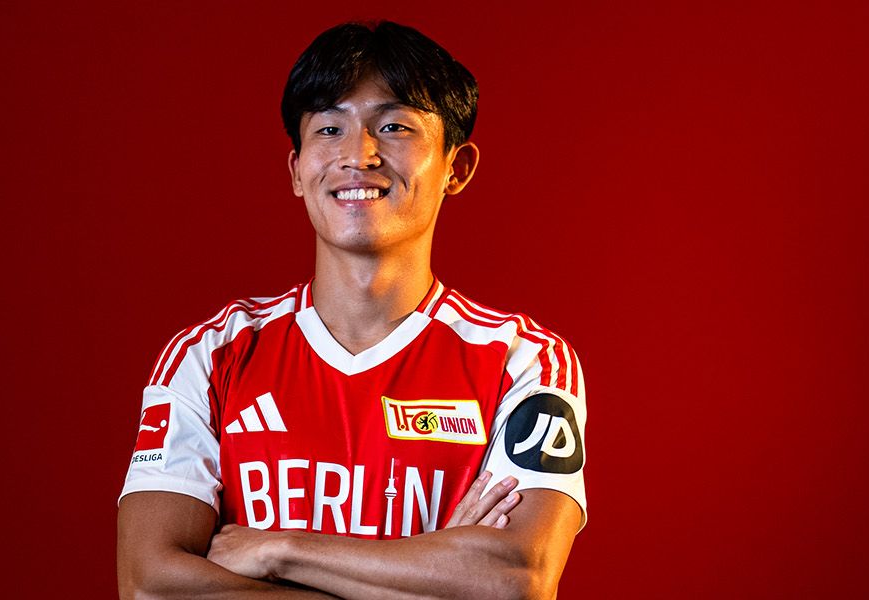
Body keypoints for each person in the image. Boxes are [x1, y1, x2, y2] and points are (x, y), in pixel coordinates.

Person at [116, 20, 587, 599]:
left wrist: (278, 549)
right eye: (330, 128)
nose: (358, 155)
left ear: (456, 168)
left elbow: (516, 580)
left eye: (393, 126)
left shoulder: (523, 361)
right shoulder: (210, 355)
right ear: (297, 171)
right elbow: (151, 586)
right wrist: (432, 576)